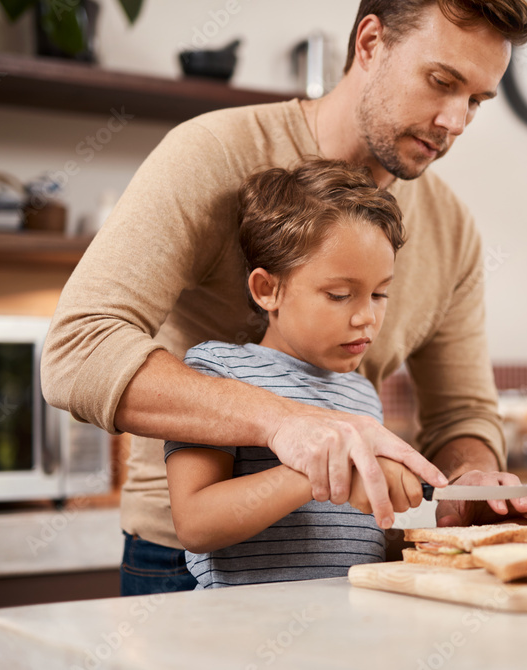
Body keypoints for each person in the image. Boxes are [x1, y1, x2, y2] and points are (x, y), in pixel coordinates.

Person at [41, 0, 527, 597]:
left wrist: (469, 480)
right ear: (370, 43)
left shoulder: (452, 228)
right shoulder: (212, 154)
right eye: (441, 82)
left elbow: (462, 413)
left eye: (477, 101)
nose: (455, 121)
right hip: (185, 568)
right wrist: (294, 427)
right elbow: (78, 351)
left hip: (349, 573)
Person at [165, 159, 423, 589]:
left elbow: (361, 541)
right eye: (339, 295)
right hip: (243, 639)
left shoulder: (362, 395)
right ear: (268, 290)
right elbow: (195, 524)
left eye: (380, 294)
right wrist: (316, 465)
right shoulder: (217, 373)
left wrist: (444, 534)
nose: (367, 318)